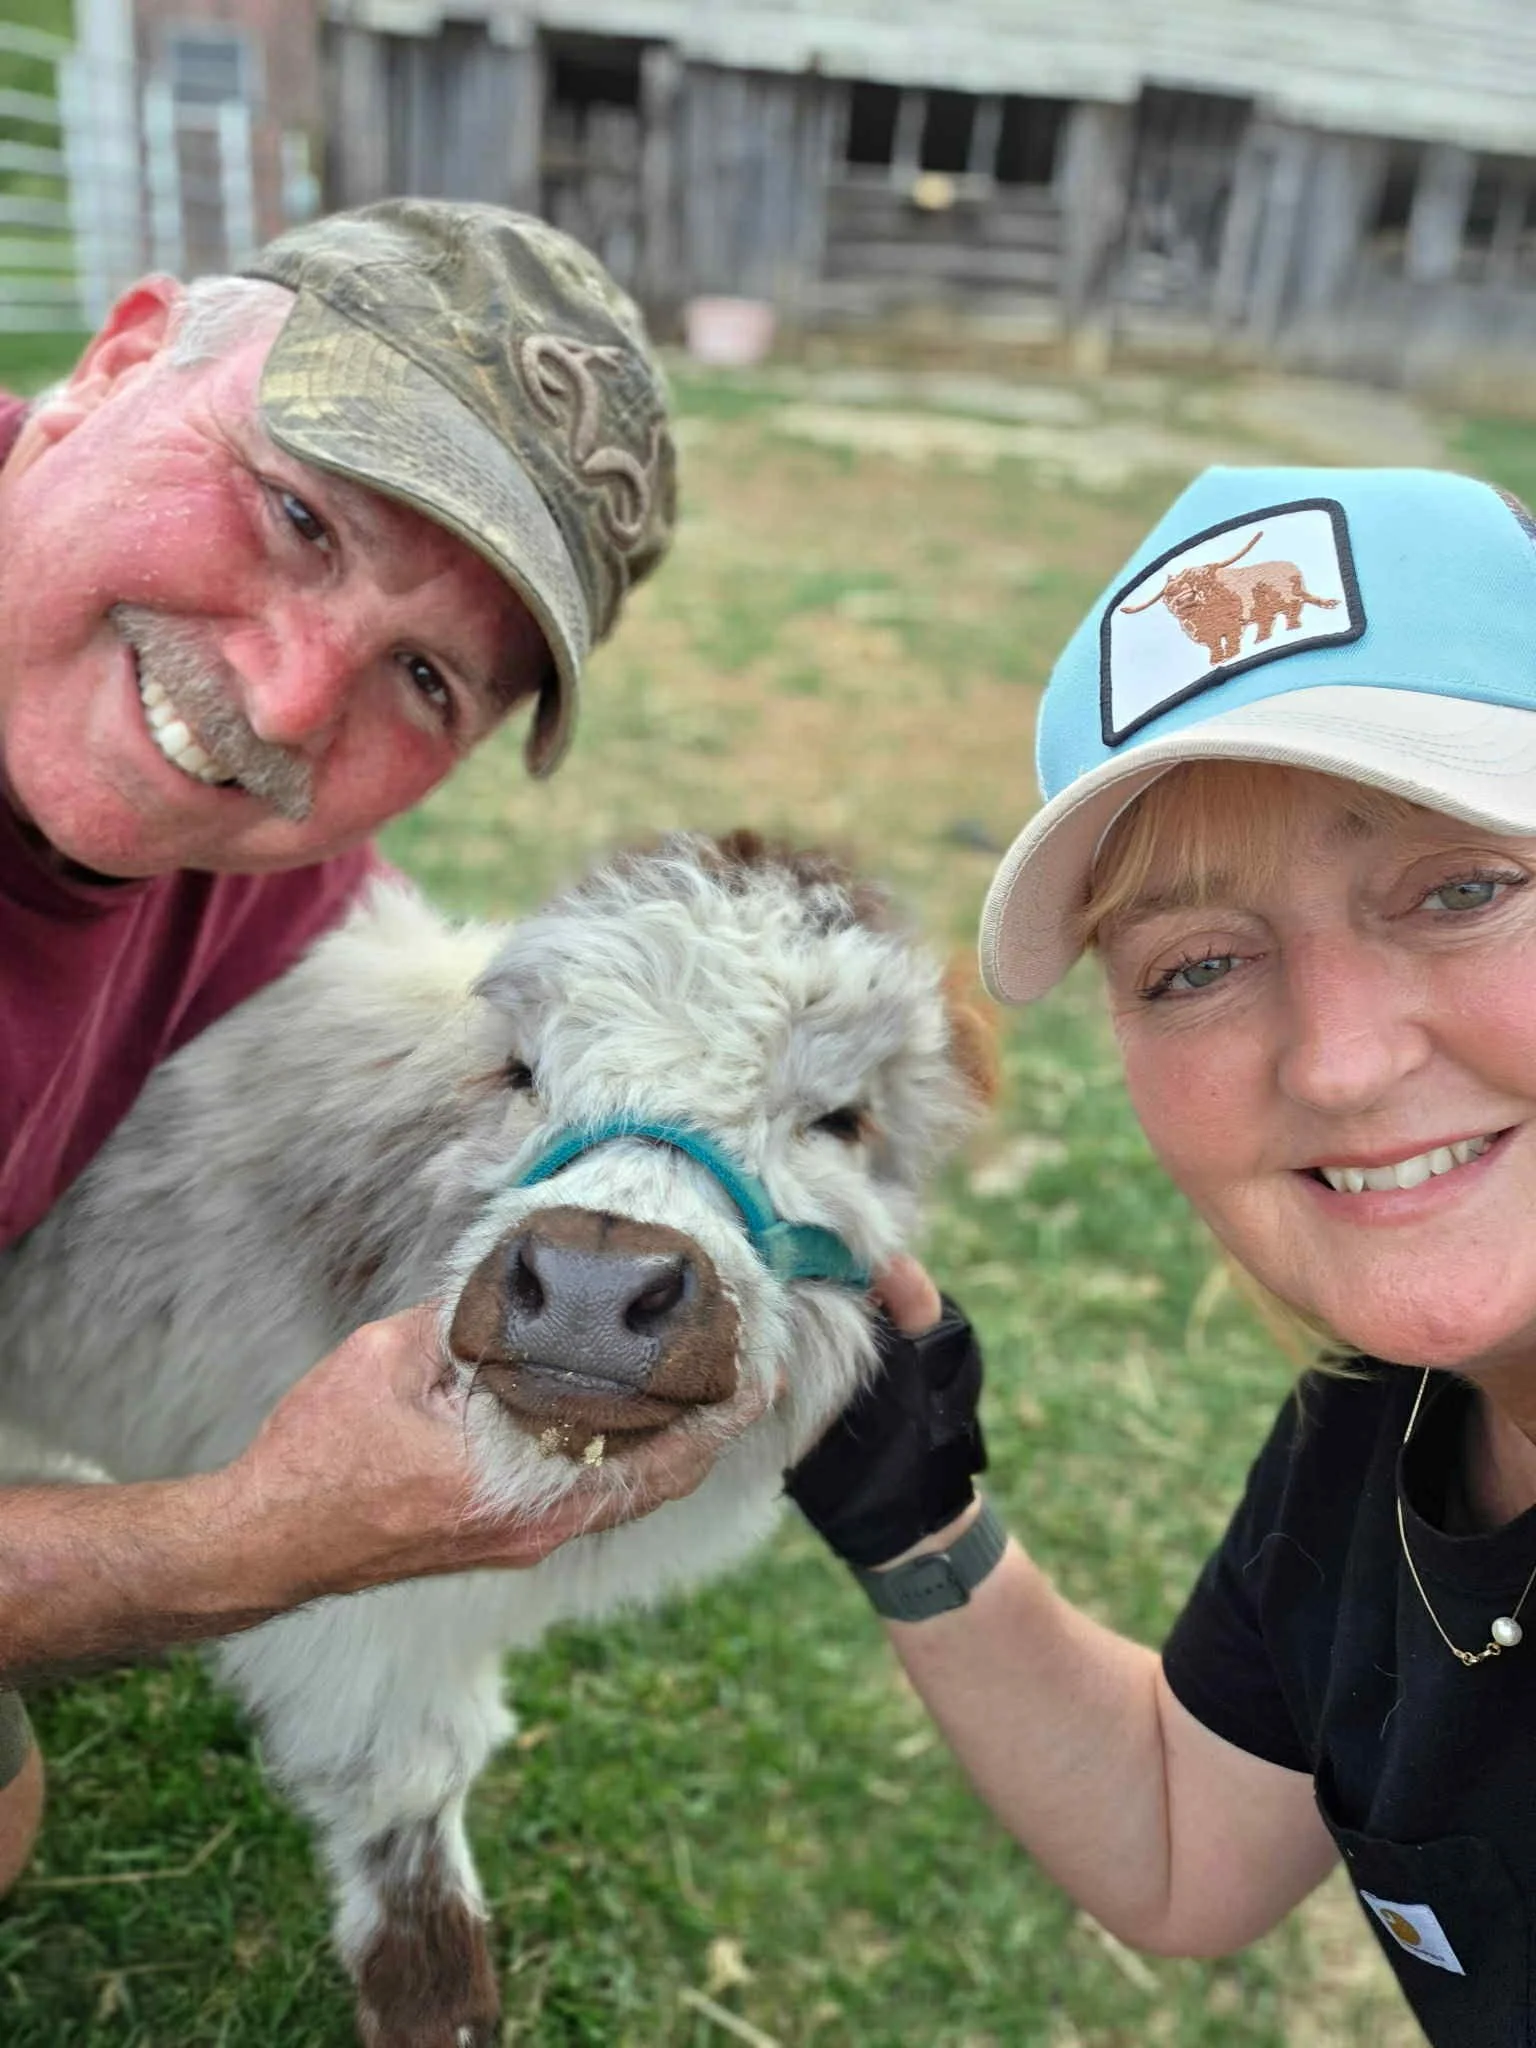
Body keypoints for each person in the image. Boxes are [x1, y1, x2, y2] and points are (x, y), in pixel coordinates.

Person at [0, 196, 724, 1891]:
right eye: (297, 514)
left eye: (425, 680)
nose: (281, 702)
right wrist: (246, 1541)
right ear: (115, 363)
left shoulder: (267, 866)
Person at [787, 464, 1536, 2045]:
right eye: (1198, 966)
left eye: (1464, 889)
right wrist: (908, 1507)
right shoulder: (1383, 1422)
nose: (1338, 1061)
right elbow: (1187, 1842)